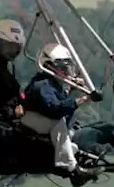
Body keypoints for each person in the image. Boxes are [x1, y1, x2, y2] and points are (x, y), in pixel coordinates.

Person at [19, 43, 101, 178]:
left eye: (66, 68)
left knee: (66, 126)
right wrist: (80, 100)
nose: (65, 72)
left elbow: (61, 106)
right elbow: (55, 109)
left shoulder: (54, 85)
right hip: (29, 119)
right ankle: (70, 167)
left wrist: (73, 91)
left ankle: (74, 158)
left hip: (40, 119)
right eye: (62, 68)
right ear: (48, 66)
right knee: (57, 122)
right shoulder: (42, 84)